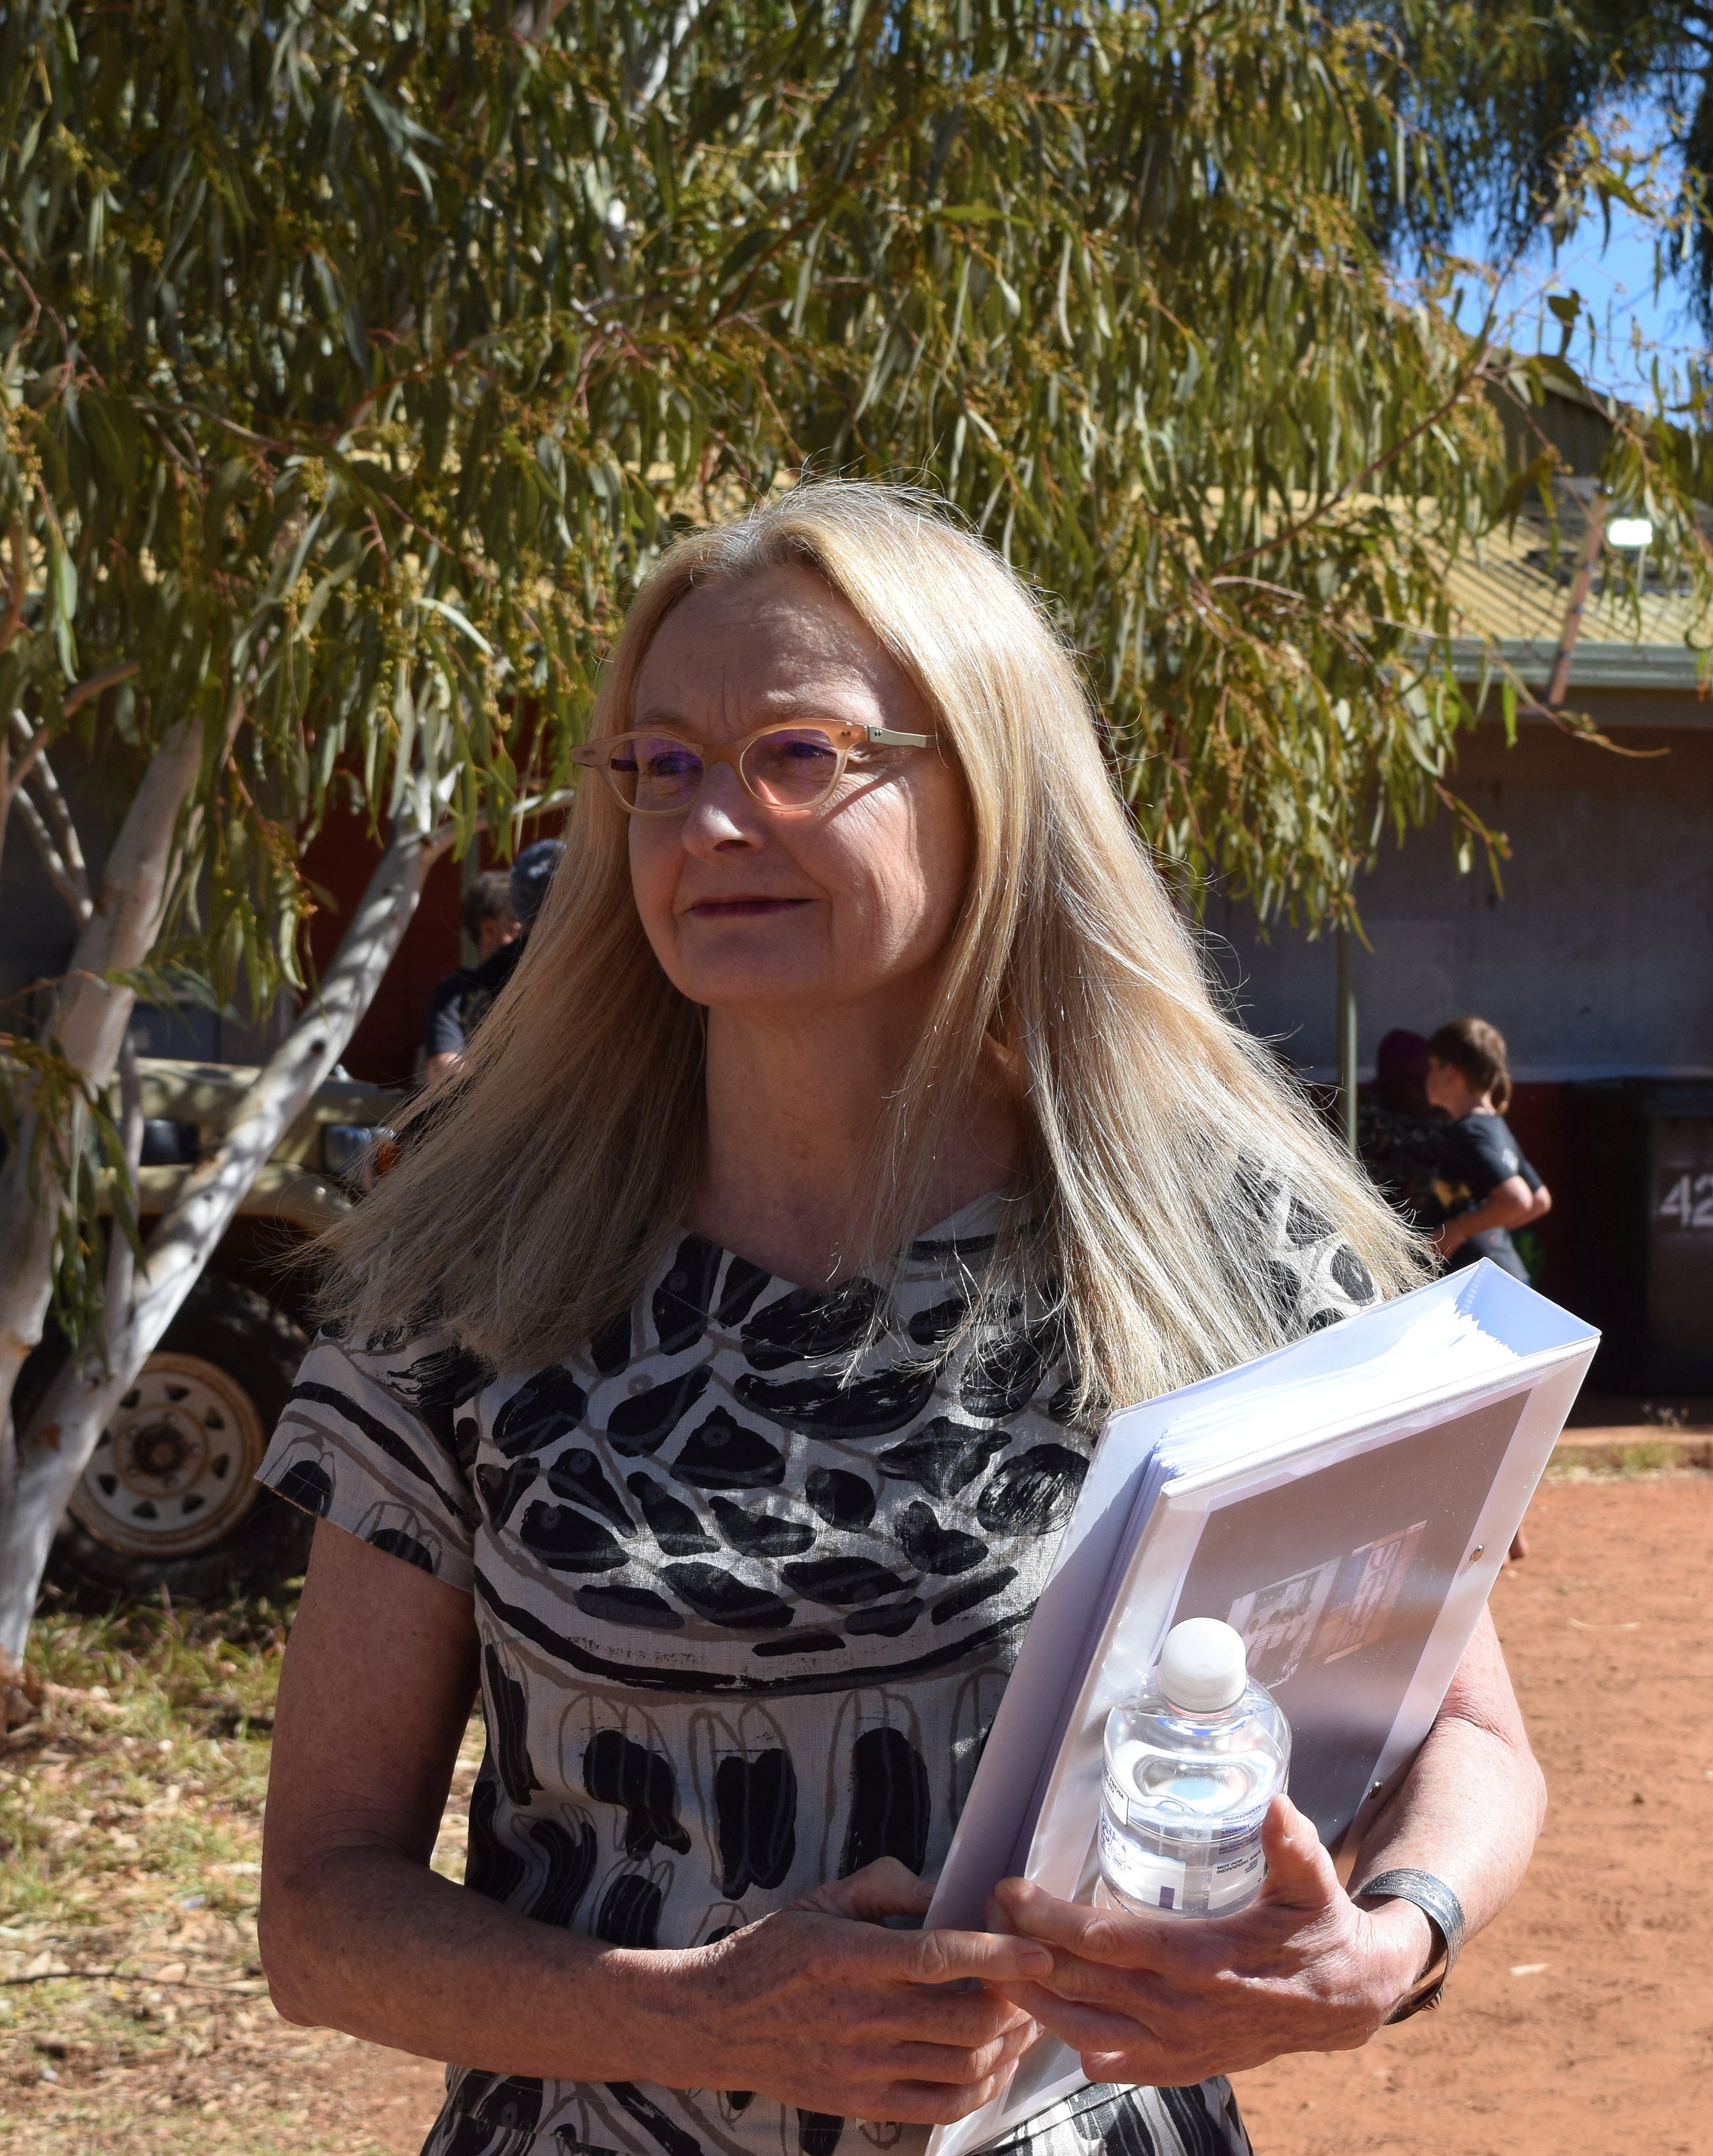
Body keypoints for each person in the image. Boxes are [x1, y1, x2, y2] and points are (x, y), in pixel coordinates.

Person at [252, 483, 1545, 2156]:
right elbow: (320, 1908)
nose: (710, 821)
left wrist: (1386, 1938)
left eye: (796, 754)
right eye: (661, 765)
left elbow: (1470, 1737)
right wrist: (691, 2009)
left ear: (988, 787)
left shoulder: (1223, 1251)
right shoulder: (474, 1271)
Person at [423, 841, 565, 1084]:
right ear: (488, 929)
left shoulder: (550, 971)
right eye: (518, 928)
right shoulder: (457, 989)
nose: (525, 940)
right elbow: (442, 1068)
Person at [1419, 1017, 1550, 1281]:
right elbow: (1540, 1201)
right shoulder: (1494, 1127)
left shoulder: (1471, 1133)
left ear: (1450, 1073)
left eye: (1432, 1067)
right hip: (1502, 1276)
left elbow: (1519, 1200)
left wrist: (1458, 1230)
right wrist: (1485, 1226)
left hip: (1477, 1285)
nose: (1427, 1076)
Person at [1351, 1027, 1457, 1238]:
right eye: (1403, 1082)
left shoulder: (1442, 1114)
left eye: (1419, 1082)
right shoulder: (1366, 1117)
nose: (1412, 1091)